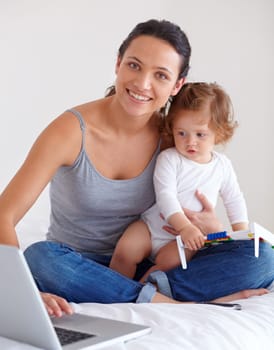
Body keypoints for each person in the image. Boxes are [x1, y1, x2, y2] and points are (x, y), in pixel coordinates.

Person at [0, 19, 273, 318]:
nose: (143, 84)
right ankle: (171, 304)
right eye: (134, 65)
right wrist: (27, 291)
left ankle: (142, 294)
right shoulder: (70, 131)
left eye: (160, 75)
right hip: (75, 265)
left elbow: (196, 215)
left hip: (149, 263)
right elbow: (5, 215)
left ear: (176, 85)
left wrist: (214, 230)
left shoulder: (174, 139)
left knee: (263, 259)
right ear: (118, 64)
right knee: (39, 258)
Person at [110, 82, 249, 282]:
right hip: (151, 227)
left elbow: (234, 199)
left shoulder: (222, 166)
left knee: (169, 264)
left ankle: (137, 292)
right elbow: (166, 196)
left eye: (200, 134)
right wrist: (184, 226)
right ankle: (113, 288)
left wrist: (241, 234)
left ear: (219, 133)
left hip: (184, 240)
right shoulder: (170, 159)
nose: (190, 141)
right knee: (125, 250)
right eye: (181, 133)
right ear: (172, 128)